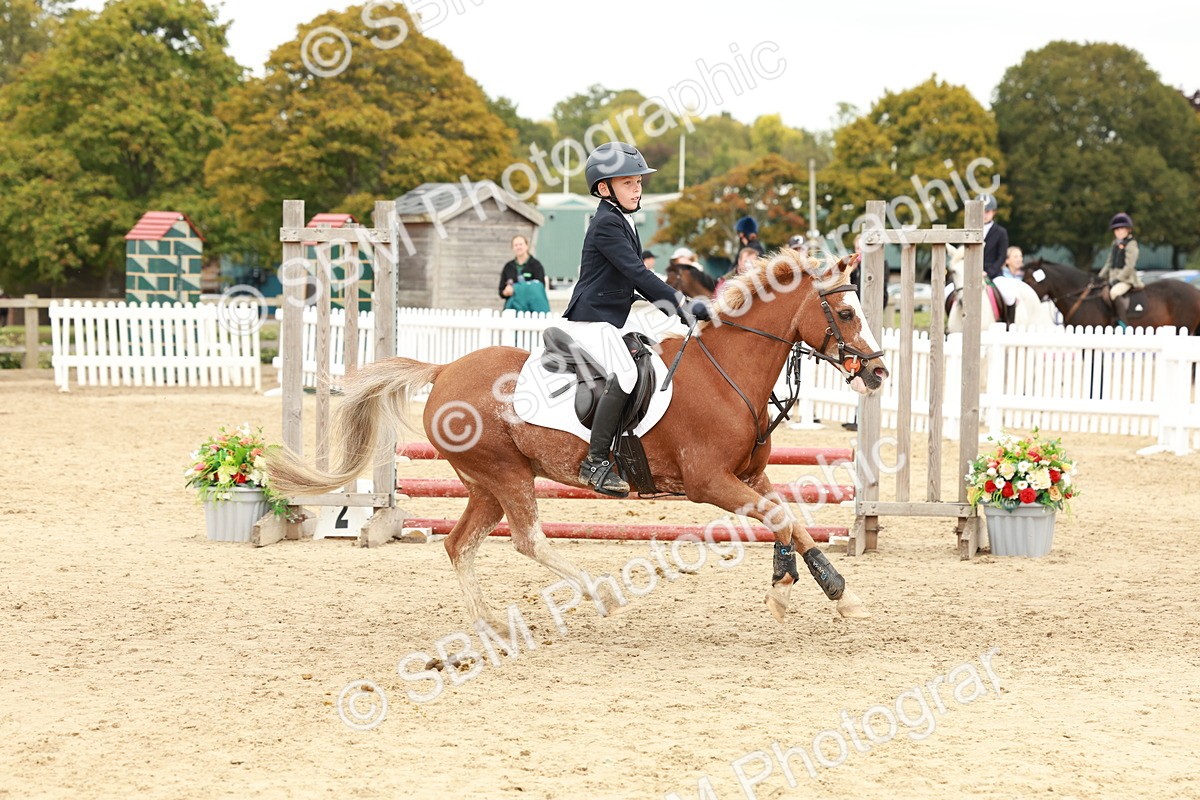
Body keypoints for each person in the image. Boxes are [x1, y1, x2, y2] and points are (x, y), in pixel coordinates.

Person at [562, 141, 709, 496]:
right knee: (626, 373)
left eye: (639, 182)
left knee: (650, 361)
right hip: (591, 318)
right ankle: (595, 462)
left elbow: (635, 282)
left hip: (613, 316)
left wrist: (682, 307)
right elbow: (638, 275)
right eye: (628, 182)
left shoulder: (621, 220)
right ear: (603, 188)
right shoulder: (606, 224)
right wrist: (682, 307)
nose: (637, 188)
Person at [1097, 212, 1143, 325]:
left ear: (1128, 229)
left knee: (1114, 293)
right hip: (1113, 278)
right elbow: (1109, 263)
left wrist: (1118, 279)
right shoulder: (1115, 244)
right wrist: (1099, 277)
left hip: (1127, 279)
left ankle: (1123, 323)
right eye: (1116, 229)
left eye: (1122, 229)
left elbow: (1129, 266)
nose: (1119, 232)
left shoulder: (1131, 244)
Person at [498, 234, 547, 309]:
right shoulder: (508, 267)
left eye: (520, 244)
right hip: (512, 308)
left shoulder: (536, 265)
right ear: (512, 248)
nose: (518, 247)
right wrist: (506, 292)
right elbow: (501, 291)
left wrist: (516, 289)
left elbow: (540, 287)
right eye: (515, 245)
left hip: (531, 308)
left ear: (527, 246)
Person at [979, 194, 1009, 281]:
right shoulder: (968, 231)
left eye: (987, 211)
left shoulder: (1001, 232)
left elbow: (1002, 256)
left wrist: (988, 272)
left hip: (993, 274)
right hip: (971, 272)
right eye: (982, 211)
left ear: (994, 212)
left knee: (1005, 293)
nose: (984, 215)